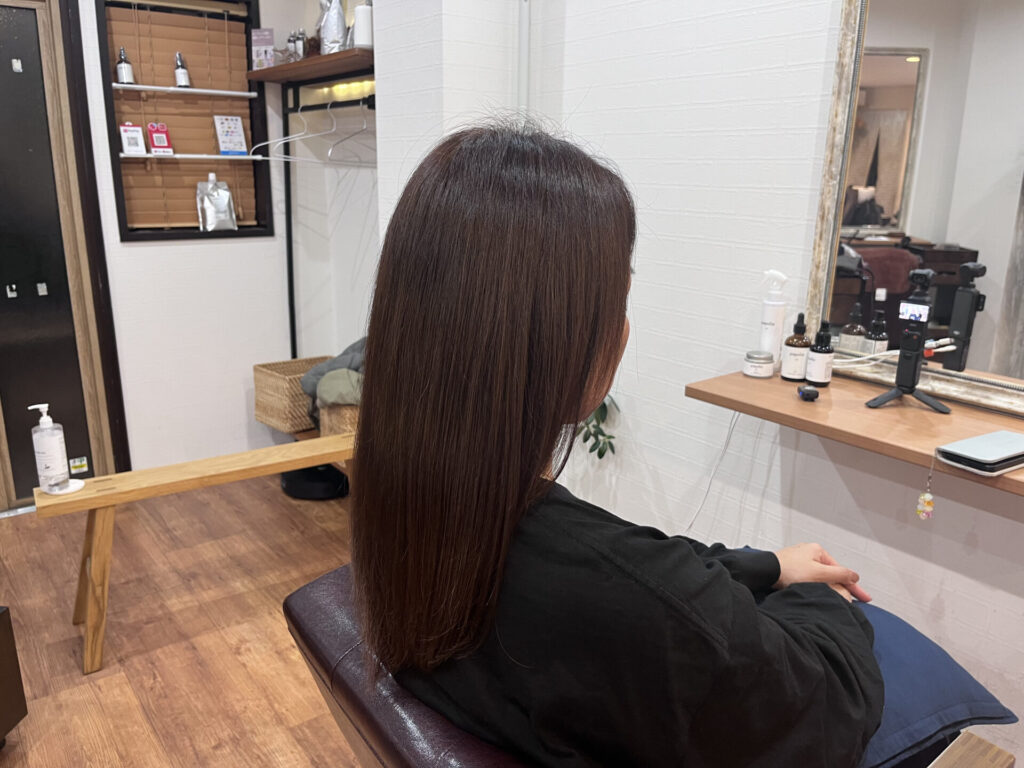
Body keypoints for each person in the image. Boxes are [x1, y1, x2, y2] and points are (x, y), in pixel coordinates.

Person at [351, 122, 884, 767]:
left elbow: (644, 573)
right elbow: (829, 710)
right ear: (563, 344)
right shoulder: (615, 603)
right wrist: (822, 599)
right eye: (617, 298)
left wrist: (763, 567)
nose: (625, 328)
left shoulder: (406, 502)